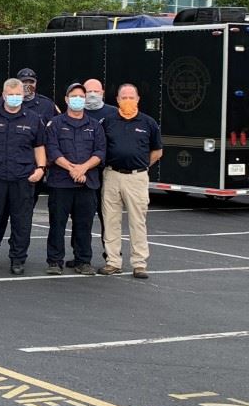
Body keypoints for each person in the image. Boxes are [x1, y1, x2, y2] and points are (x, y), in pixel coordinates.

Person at [0, 78, 48, 275]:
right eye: (11, 94)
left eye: (18, 94)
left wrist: (40, 168)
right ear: (4, 95)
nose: (14, 98)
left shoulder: (32, 118)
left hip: (22, 178)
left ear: (23, 95)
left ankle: (18, 259)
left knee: (22, 221)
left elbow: (39, 146)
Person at [100, 84, 163, 279]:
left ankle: (139, 263)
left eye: (131, 97)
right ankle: (112, 262)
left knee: (138, 221)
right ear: (117, 100)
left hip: (137, 177)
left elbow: (157, 151)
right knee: (111, 220)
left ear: (138, 99)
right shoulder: (108, 122)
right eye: (123, 97)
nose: (127, 100)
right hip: (112, 175)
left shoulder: (148, 123)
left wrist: (141, 166)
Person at [45, 82, 106, 276]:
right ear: (66, 99)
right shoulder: (55, 124)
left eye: (81, 96)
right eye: (74, 96)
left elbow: (100, 151)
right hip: (61, 182)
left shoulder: (95, 126)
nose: (78, 100)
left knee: (84, 225)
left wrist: (83, 168)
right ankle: (55, 261)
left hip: (86, 183)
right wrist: (72, 168)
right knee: (57, 224)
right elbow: (52, 149)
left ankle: (83, 261)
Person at [82, 76, 119, 256]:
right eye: (89, 91)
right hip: (84, 173)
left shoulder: (114, 113)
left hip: (107, 172)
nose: (93, 95)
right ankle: (81, 255)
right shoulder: (77, 112)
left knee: (108, 215)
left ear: (103, 93)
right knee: (83, 217)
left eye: (96, 91)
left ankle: (111, 253)